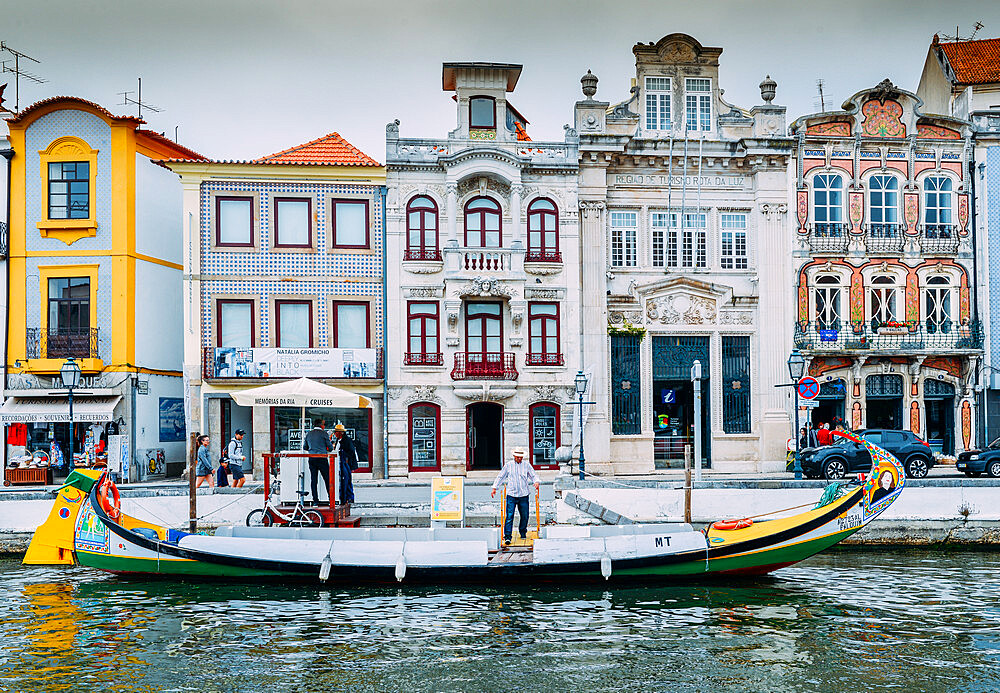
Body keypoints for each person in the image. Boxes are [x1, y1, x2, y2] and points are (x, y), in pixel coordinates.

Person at [490, 447, 541, 547]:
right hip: (511, 495)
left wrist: (536, 481)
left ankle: (522, 532)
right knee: (509, 516)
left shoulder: (526, 465)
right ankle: (508, 536)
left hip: (524, 494)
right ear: (514, 456)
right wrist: (494, 487)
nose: (519, 459)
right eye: (518, 457)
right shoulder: (508, 465)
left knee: (525, 515)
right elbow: (501, 476)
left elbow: (533, 475)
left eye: (521, 457)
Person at [305, 419, 335, 506]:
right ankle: (331, 499)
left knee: (314, 480)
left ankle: (315, 501)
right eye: (324, 424)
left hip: (312, 459)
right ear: (321, 425)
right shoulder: (324, 434)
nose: (324, 426)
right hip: (322, 458)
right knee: (327, 479)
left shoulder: (309, 434)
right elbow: (330, 448)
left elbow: (305, 447)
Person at [333, 423, 357, 504]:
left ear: (341, 433)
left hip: (345, 463)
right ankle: (345, 497)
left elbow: (351, 452)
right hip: (339, 463)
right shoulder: (338, 440)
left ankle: (349, 497)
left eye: (336, 432)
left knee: (346, 480)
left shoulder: (347, 440)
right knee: (343, 481)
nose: (335, 433)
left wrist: (347, 460)